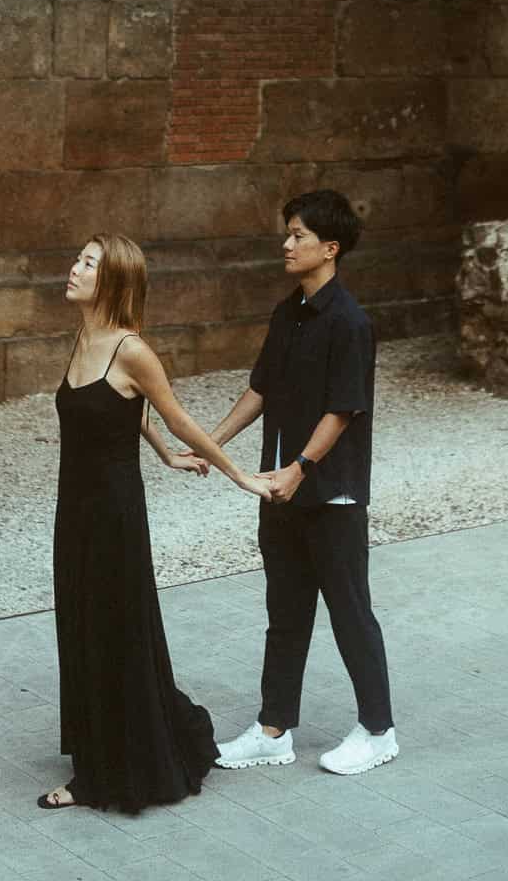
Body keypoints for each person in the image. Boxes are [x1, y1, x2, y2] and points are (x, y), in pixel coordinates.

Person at [41, 231, 271, 813]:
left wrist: (238, 475)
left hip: (115, 513)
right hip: (76, 510)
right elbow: (124, 407)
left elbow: (179, 418)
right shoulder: (85, 336)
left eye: (87, 263)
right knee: (81, 625)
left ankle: (100, 775)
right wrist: (163, 453)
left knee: (113, 630)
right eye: (78, 258)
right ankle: (109, 741)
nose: (74, 268)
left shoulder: (132, 349)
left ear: (113, 279)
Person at [207, 189, 397, 777]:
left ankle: (378, 729)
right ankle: (272, 730)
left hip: (329, 493)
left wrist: (299, 469)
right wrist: (210, 445)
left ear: (330, 248)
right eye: (287, 233)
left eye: (298, 236)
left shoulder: (350, 323)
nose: (286, 245)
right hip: (280, 491)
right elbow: (260, 390)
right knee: (285, 612)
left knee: (349, 612)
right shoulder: (286, 312)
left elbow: (342, 411)